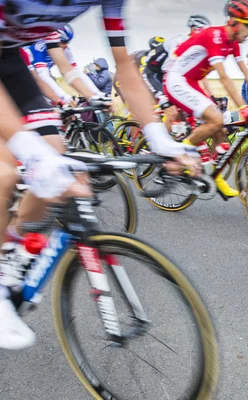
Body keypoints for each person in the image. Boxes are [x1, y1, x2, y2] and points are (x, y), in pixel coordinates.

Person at [0, 0, 199, 350]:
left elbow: (123, 65)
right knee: (5, 174)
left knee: (58, 160)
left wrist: (157, 135)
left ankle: (9, 251)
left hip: (8, 61)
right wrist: (25, 147)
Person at [163, 0, 248, 198]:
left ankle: (214, 174)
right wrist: (244, 107)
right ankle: (180, 158)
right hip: (176, 80)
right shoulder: (215, 37)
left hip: (192, 81)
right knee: (216, 119)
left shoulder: (233, 44)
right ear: (234, 22)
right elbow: (224, 77)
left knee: (220, 129)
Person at [143, 15, 213, 131]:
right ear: (194, 29)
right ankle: (159, 144)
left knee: (183, 113)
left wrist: (210, 95)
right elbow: (169, 67)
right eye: (204, 32)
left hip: (168, 75)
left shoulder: (197, 46)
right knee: (173, 113)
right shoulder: (179, 41)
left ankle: (175, 138)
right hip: (153, 75)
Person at [23, 25, 102, 106]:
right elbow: (43, 76)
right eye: (63, 42)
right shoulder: (39, 47)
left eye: (68, 42)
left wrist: (97, 94)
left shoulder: (66, 50)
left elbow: (77, 73)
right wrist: (65, 97)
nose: (66, 45)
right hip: (26, 77)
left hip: (40, 77)